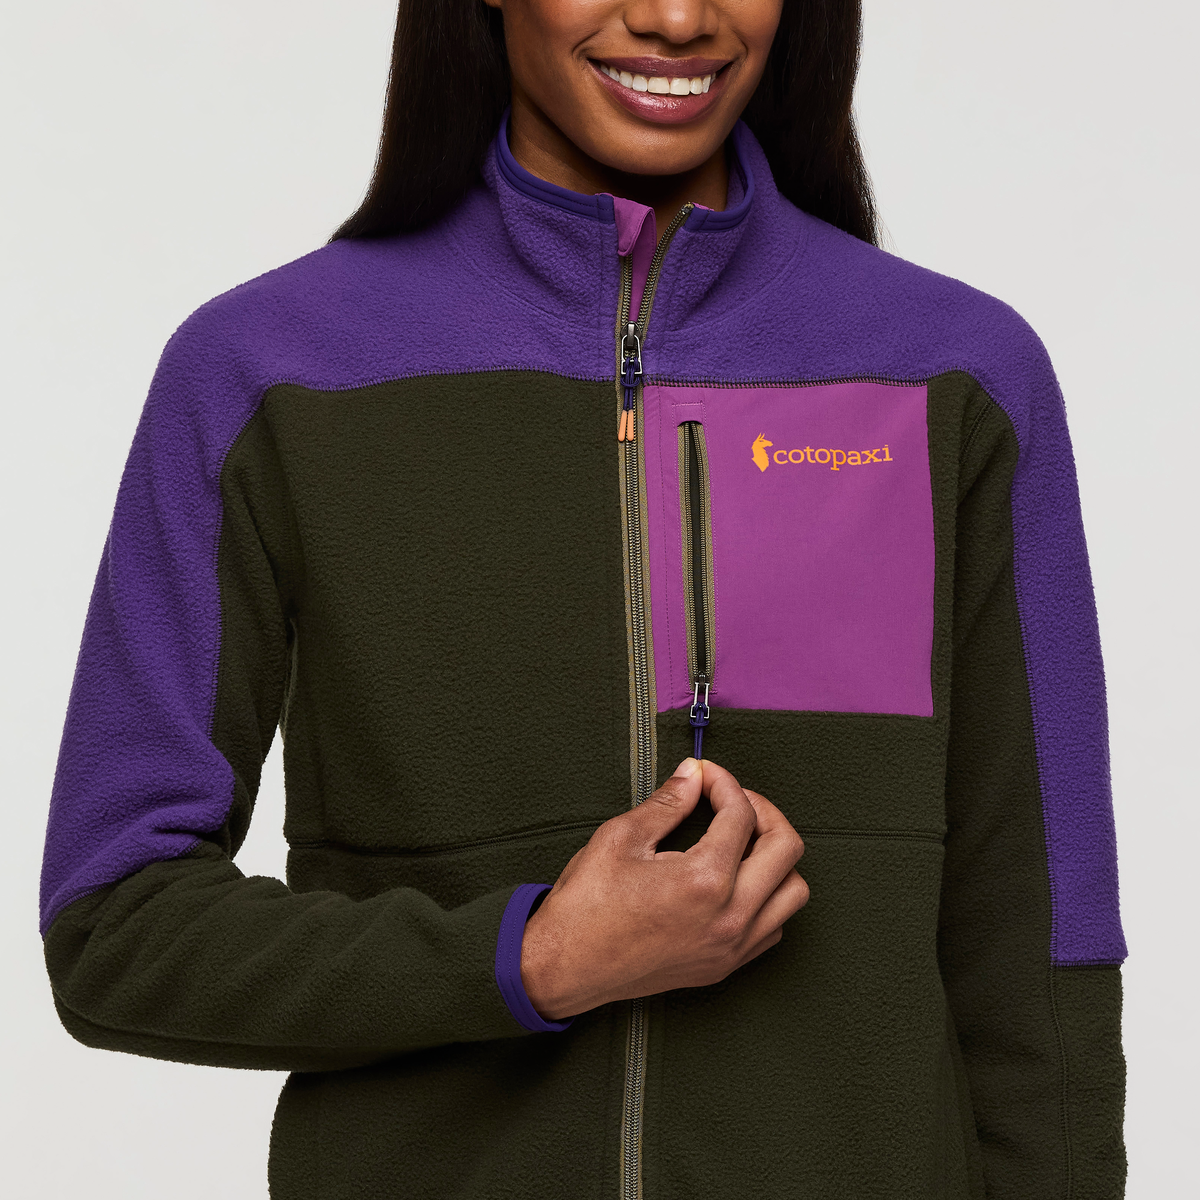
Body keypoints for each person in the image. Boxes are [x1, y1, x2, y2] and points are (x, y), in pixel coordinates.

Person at [39, 1, 1127, 1196]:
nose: (676, 18)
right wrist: (535, 957)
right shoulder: (272, 374)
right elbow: (115, 923)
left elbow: (1043, 957)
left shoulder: (953, 376)